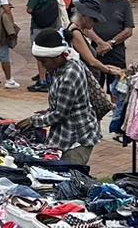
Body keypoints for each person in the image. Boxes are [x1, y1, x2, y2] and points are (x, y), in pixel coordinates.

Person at [22, 30, 102, 167]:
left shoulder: (68, 77)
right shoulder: (64, 65)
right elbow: (62, 106)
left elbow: (60, 114)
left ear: (56, 56)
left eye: (44, 61)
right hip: (67, 134)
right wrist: (48, 111)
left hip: (76, 137)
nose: (43, 65)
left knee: (69, 176)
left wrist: (33, 121)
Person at [75, 0, 135, 79]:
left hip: (116, 52)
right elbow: (85, 26)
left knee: (117, 90)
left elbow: (128, 30)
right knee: (95, 87)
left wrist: (110, 44)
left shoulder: (124, 3)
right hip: (95, 51)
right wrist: (100, 42)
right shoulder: (93, 0)